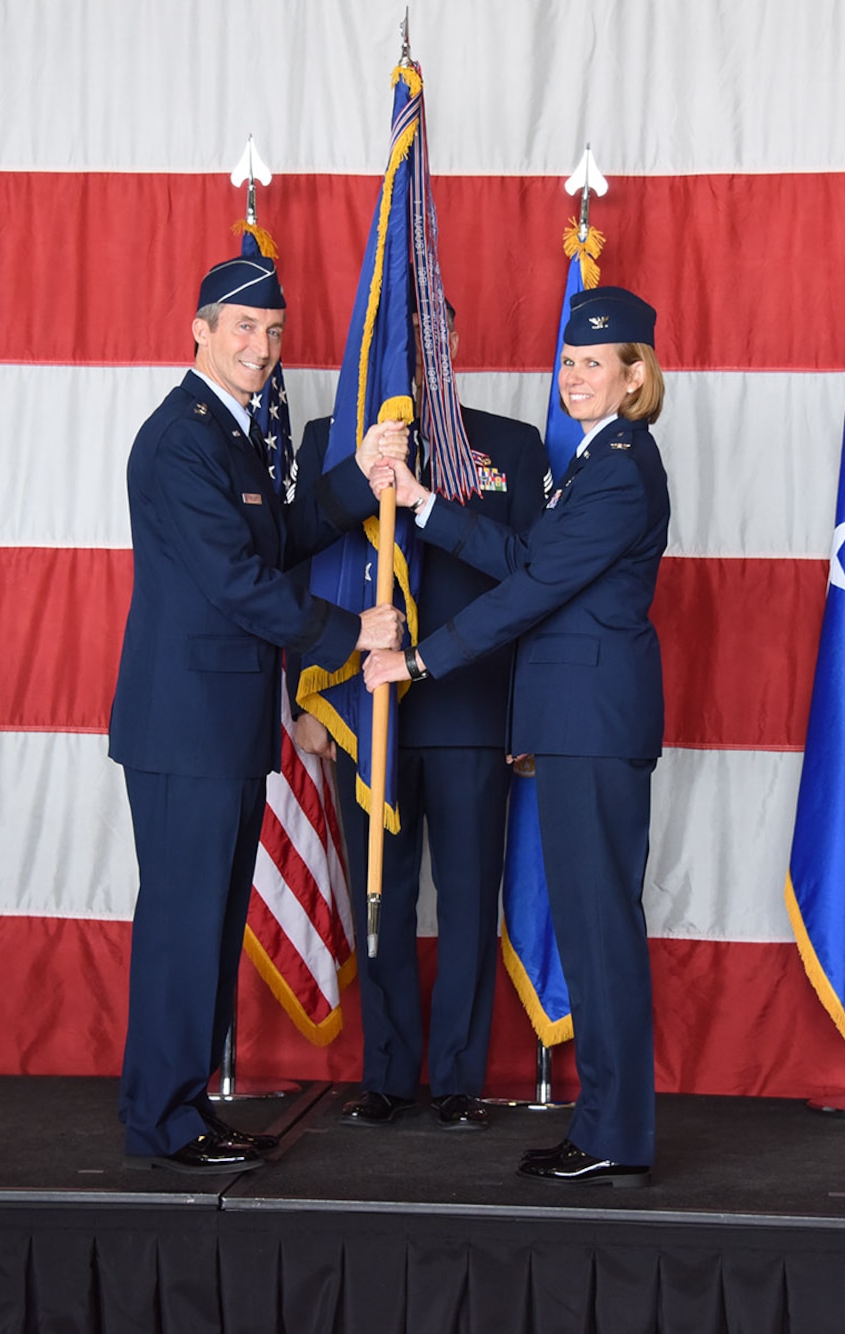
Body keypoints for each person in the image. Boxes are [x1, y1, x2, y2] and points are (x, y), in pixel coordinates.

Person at [363, 286, 669, 1187]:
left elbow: (533, 592)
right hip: (578, 724)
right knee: (589, 927)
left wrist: (421, 663)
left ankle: (616, 1131)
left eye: (594, 365)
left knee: (601, 929)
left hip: (595, 723)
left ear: (635, 376)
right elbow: (531, 562)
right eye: (567, 362)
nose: (574, 377)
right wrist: (422, 503)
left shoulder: (619, 465)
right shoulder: (593, 460)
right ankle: (609, 1125)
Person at [109, 254, 404, 1174]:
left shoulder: (234, 435)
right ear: (198, 329)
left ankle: (183, 1107)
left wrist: (358, 477)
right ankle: (162, 1118)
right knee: (182, 929)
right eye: (243, 328)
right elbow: (236, 580)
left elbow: (275, 533)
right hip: (184, 726)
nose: (263, 347)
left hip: (221, 724)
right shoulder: (180, 439)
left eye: (274, 331)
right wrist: (351, 632)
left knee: (206, 926)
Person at [291, 303, 548, 1131]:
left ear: (453, 343)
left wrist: (525, 715)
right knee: (380, 898)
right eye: (405, 336)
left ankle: (461, 1079)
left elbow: (536, 587)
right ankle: (389, 1073)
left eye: (434, 334)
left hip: (472, 707)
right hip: (369, 710)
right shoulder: (334, 441)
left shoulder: (508, 445)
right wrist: (310, 696)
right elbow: (305, 570)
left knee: (471, 900)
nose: (419, 350)